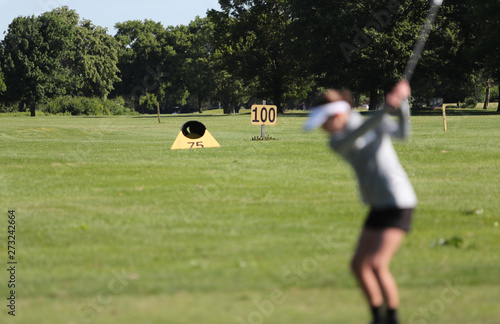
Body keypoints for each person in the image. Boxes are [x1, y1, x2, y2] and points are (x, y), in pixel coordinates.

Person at [304, 80, 417, 324]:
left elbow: (403, 135)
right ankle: (378, 317)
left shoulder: (369, 123)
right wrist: (385, 110)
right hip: (378, 205)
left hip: (398, 201)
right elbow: (358, 134)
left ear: (337, 115)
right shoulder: (337, 141)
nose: (324, 128)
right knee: (358, 265)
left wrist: (403, 104)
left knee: (376, 264)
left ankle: (393, 319)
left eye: (325, 122)